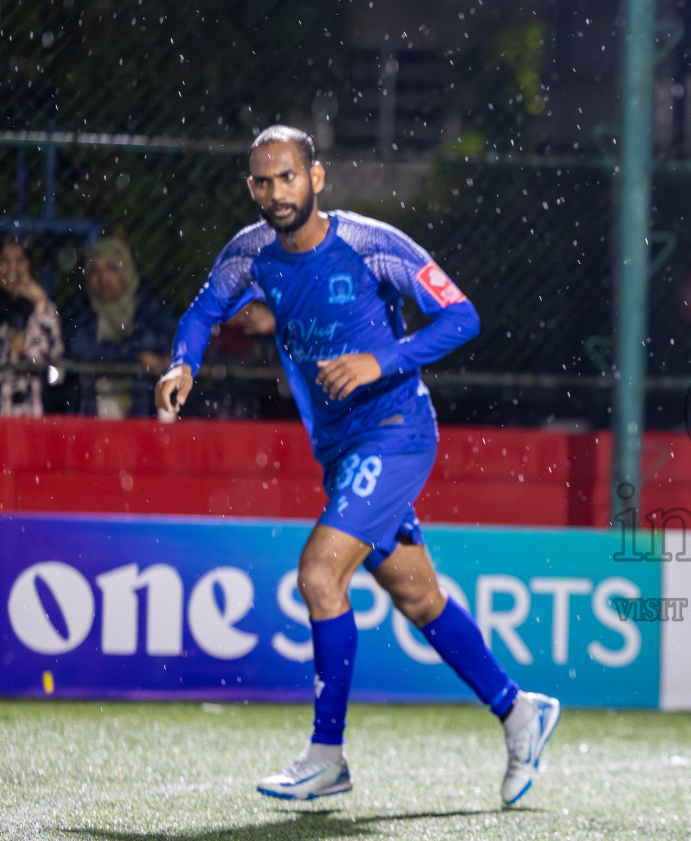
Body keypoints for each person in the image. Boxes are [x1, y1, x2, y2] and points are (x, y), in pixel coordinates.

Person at [156, 125, 560, 804]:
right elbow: (203, 310)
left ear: (317, 178)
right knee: (417, 596)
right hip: (342, 450)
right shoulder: (251, 253)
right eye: (262, 180)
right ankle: (519, 710)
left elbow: (461, 317)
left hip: (397, 432)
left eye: (288, 177)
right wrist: (181, 362)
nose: (275, 192)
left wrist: (384, 359)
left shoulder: (372, 244)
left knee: (319, 574)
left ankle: (327, 754)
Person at [63, 236, 177, 418]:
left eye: (111, 268)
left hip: (142, 400)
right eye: (95, 271)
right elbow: (80, 350)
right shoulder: (81, 309)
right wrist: (136, 356)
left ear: (126, 271)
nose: (103, 278)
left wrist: (111, 354)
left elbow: (169, 343)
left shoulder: (146, 306)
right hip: (92, 401)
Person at [0, 236, 63, 417]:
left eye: (20, 261)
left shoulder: (42, 309)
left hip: (28, 420)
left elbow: (49, 356)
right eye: (5, 261)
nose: (13, 269)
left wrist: (41, 303)